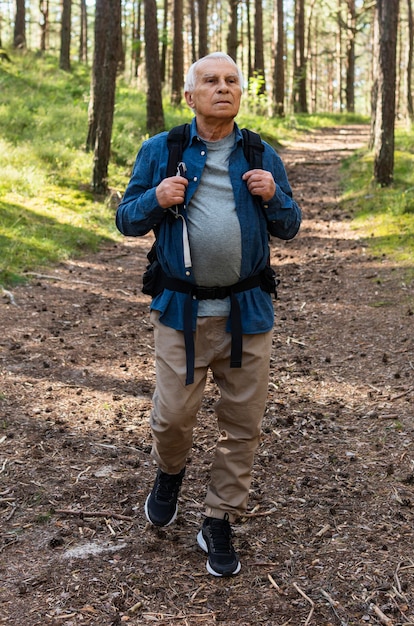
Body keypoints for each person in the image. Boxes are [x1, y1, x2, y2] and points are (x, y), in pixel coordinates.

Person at [116, 52, 301, 577]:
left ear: (241, 93)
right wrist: (155, 196)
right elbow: (127, 220)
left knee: (243, 425)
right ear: (189, 94)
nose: (223, 88)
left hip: (248, 313)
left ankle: (218, 518)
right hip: (180, 312)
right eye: (210, 81)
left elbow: (290, 225)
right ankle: (169, 472)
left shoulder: (260, 151)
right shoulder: (163, 150)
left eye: (231, 81)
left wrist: (274, 197)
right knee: (173, 417)